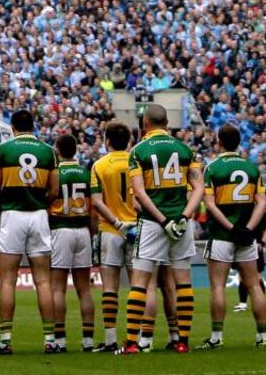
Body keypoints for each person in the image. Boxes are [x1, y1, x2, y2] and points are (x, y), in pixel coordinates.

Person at [119, 104, 204, 355]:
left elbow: (139, 192)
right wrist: (184, 216)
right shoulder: (185, 148)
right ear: (167, 123)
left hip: (153, 223)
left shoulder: (138, 151)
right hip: (181, 221)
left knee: (141, 281)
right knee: (183, 281)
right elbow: (198, 187)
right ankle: (183, 341)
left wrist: (162, 219)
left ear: (145, 123)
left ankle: (132, 342)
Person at [0, 109, 59, 354]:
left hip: (12, 215)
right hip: (38, 215)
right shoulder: (48, 151)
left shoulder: (3, 150)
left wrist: (4, 204)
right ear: (33, 126)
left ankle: (6, 341)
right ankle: (50, 340)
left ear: (13, 128)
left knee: (8, 281)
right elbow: (54, 190)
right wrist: (42, 203)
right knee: (43, 281)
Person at [198, 123, 266, 349]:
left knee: (218, 286)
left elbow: (209, 204)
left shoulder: (212, 168)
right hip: (246, 236)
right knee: (254, 285)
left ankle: (217, 337)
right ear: (239, 142)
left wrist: (231, 227)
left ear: (219, 141)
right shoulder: (251, 168)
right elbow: (262, 202)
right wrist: (248, 228)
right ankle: (262, 337)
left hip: (222, 234)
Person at [89, 121, 137, 352]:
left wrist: (117, 223)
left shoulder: (99, 165)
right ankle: (138, 339)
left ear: (107, 140)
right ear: (128, 140)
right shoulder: (137, 161)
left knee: (109, 287)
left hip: (111, 230)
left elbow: (97, 202)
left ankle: (110, 340)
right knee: (138, 286)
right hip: (138, 230)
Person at [49, 134, 96, 352]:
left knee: (58, 287)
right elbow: (94, 207)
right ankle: (88, 340)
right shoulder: (87, 173)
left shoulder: (56, 173)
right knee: (84, 288)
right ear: (75, 150)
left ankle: (59, 340)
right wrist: (92, 232)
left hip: (61, 228)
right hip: (83, 229)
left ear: (58, 150)